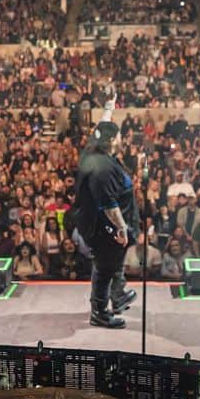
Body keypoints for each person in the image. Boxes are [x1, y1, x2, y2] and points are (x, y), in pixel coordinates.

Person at [74, 84, 138, 328]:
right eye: (120, 136)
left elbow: (100, 128)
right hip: (104, 227)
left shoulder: (94, 148)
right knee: (104, 267)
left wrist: (109, 106)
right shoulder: (102, 167)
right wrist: (122, 229)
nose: (122, 139)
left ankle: (118, 294)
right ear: (113, 140)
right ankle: (99, 312)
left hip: (101, 225)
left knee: (113, 260)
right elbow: (109, 205)